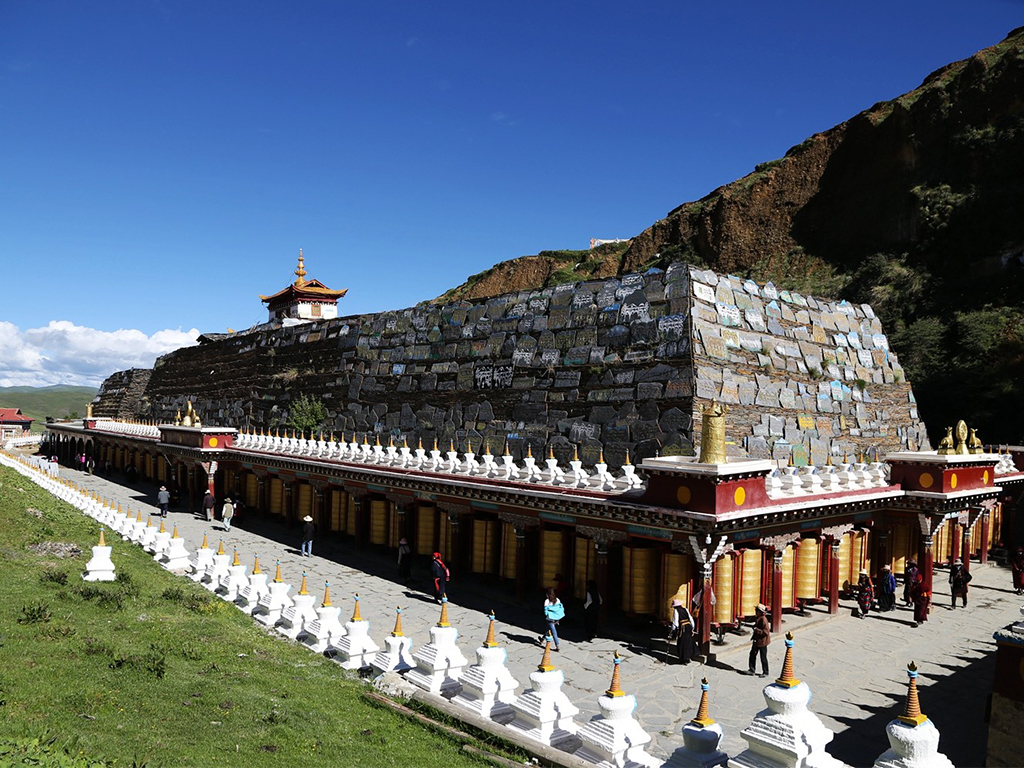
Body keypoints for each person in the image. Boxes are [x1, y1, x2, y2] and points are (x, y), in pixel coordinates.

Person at [748, 603, 770, 677]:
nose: (755, 611)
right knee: (752, 655)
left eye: (757, 610)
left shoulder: (763, 619)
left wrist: (756, 630)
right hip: (757, 640)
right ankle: (752, 669)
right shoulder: (758, 618)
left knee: (763, 657)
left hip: (762, 642)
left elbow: (766, 632)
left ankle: (765, 672)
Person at [671, 598, 696, 664]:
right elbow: (691, 619)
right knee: (688, 642)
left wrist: (673, 630)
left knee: (682, 643)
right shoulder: (686, 609)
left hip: (683, 628)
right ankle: (688, 657)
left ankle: (683, 658)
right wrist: (692, 628)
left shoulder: (676, 611)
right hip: (688, 627)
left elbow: (675, 622)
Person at [541, 587, 565, 651]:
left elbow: (545, 612)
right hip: (557, 618)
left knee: (553, 631)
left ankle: (557, 646)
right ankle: (542, 639)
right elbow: (560, 607)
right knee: (549, 628)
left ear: (547, 594)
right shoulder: (557, 600)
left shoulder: (547, 601)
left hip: (550, 618)